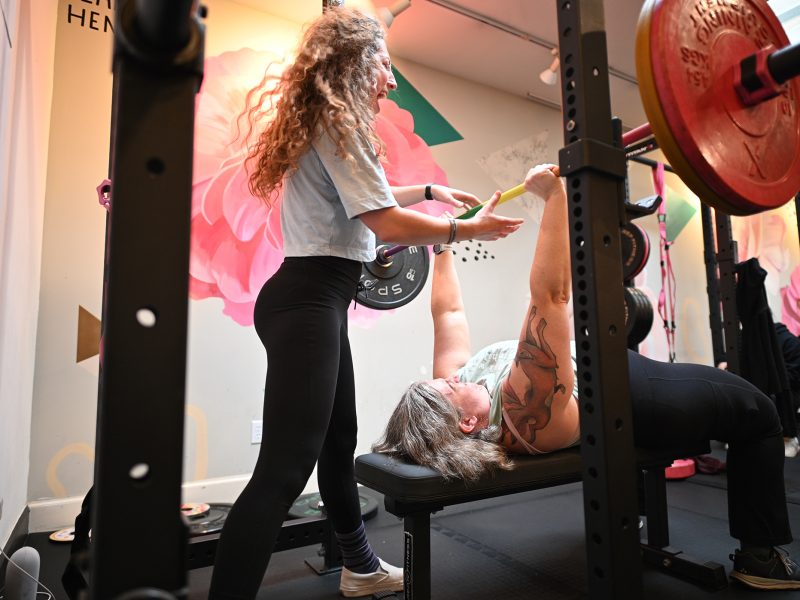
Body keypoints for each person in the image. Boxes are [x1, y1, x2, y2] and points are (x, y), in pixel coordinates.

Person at [207, 7, 523, 600]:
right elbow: (380, 218)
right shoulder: (338, 122)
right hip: (308, 299)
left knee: (336, 440)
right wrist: (466, 231)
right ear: (355, 60)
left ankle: (359, 567)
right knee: (282, 471)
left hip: (316, 299)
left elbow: (365, 194)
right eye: (384, 62)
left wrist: (429, 193)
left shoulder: (330, 122)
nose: (392, 78)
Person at [375, 164, 800, 591]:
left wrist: (442, 242)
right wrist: (555, 199)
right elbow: (551, 297)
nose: (451, 378)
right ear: (467, 423)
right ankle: (759, 559)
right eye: (448, 386)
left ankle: (631, 519)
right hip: (638, 395)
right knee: (760, 412)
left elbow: (448, 313)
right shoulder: (522, 414)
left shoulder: (462, 395)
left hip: (605, 366)